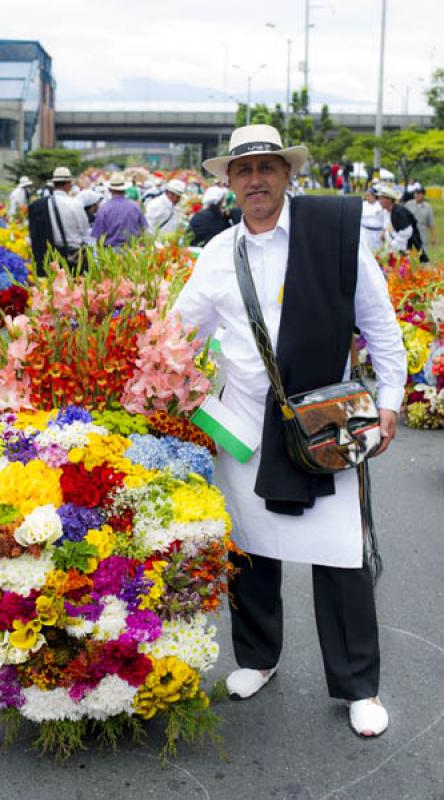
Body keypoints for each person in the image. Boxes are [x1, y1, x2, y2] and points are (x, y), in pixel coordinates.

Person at [173, 124, 406, 738]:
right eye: (243, 171)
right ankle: (257, 657)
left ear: (286, 174)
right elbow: (181, 333)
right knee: (249, 549)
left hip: (325, 423)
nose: (255, 180)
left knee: (341, 557)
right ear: (229, 182)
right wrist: (155, 384)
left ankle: (358, 685)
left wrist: (389, 399)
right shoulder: (217, 253)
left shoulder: (333, 239)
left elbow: (380, 324)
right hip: (244, 424)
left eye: (267, 169)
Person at [91, 174, 147, 248]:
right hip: (133, 251)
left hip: (110, 252)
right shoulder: (135, 206)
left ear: (110, 190)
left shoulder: (103, 209)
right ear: (124, 189)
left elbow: (98, 236)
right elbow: (143, 230)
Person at [377, 185, 425, 259]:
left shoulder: (399, 212)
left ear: (389, 200)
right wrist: (385, 234)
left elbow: (407, 231)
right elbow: (390, 226)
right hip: (396, 247)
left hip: (409, 246)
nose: (379, 201)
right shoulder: (387, 211)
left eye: (381, 198)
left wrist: (393, 244)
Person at [406, 188, 436, 258]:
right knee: (409, 257)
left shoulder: (428, 207)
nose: (417, 195)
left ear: (423, 195)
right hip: (410, 235)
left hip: (422, 236)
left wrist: (433, 237)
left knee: (423, 257)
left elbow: (432, 224)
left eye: (419, 194)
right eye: (415, 193)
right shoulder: (409, 204)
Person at [361, 188, 385, 252]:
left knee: (377, 250)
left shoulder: (381, 205)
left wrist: (384, 231)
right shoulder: (363, 204)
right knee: (366, 250)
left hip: (377, 233)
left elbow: (385, 219)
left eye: (368, 195)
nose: (367, 197)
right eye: (366, 195)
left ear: (374, 196)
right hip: (365, 231)